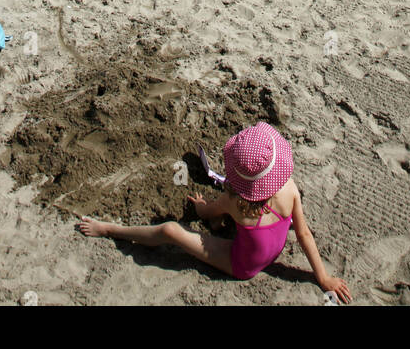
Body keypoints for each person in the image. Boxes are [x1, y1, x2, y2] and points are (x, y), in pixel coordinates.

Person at [78, 121, 351, 298]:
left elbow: (205, 213)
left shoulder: (235, 203)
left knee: (171, 230)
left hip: (243, 265)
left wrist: (200, 207)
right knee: (247, 224)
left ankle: (109, 229)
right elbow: (303, 234)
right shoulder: (290, 188)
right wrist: (323, 278)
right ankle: (227, 229)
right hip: (274, 249)